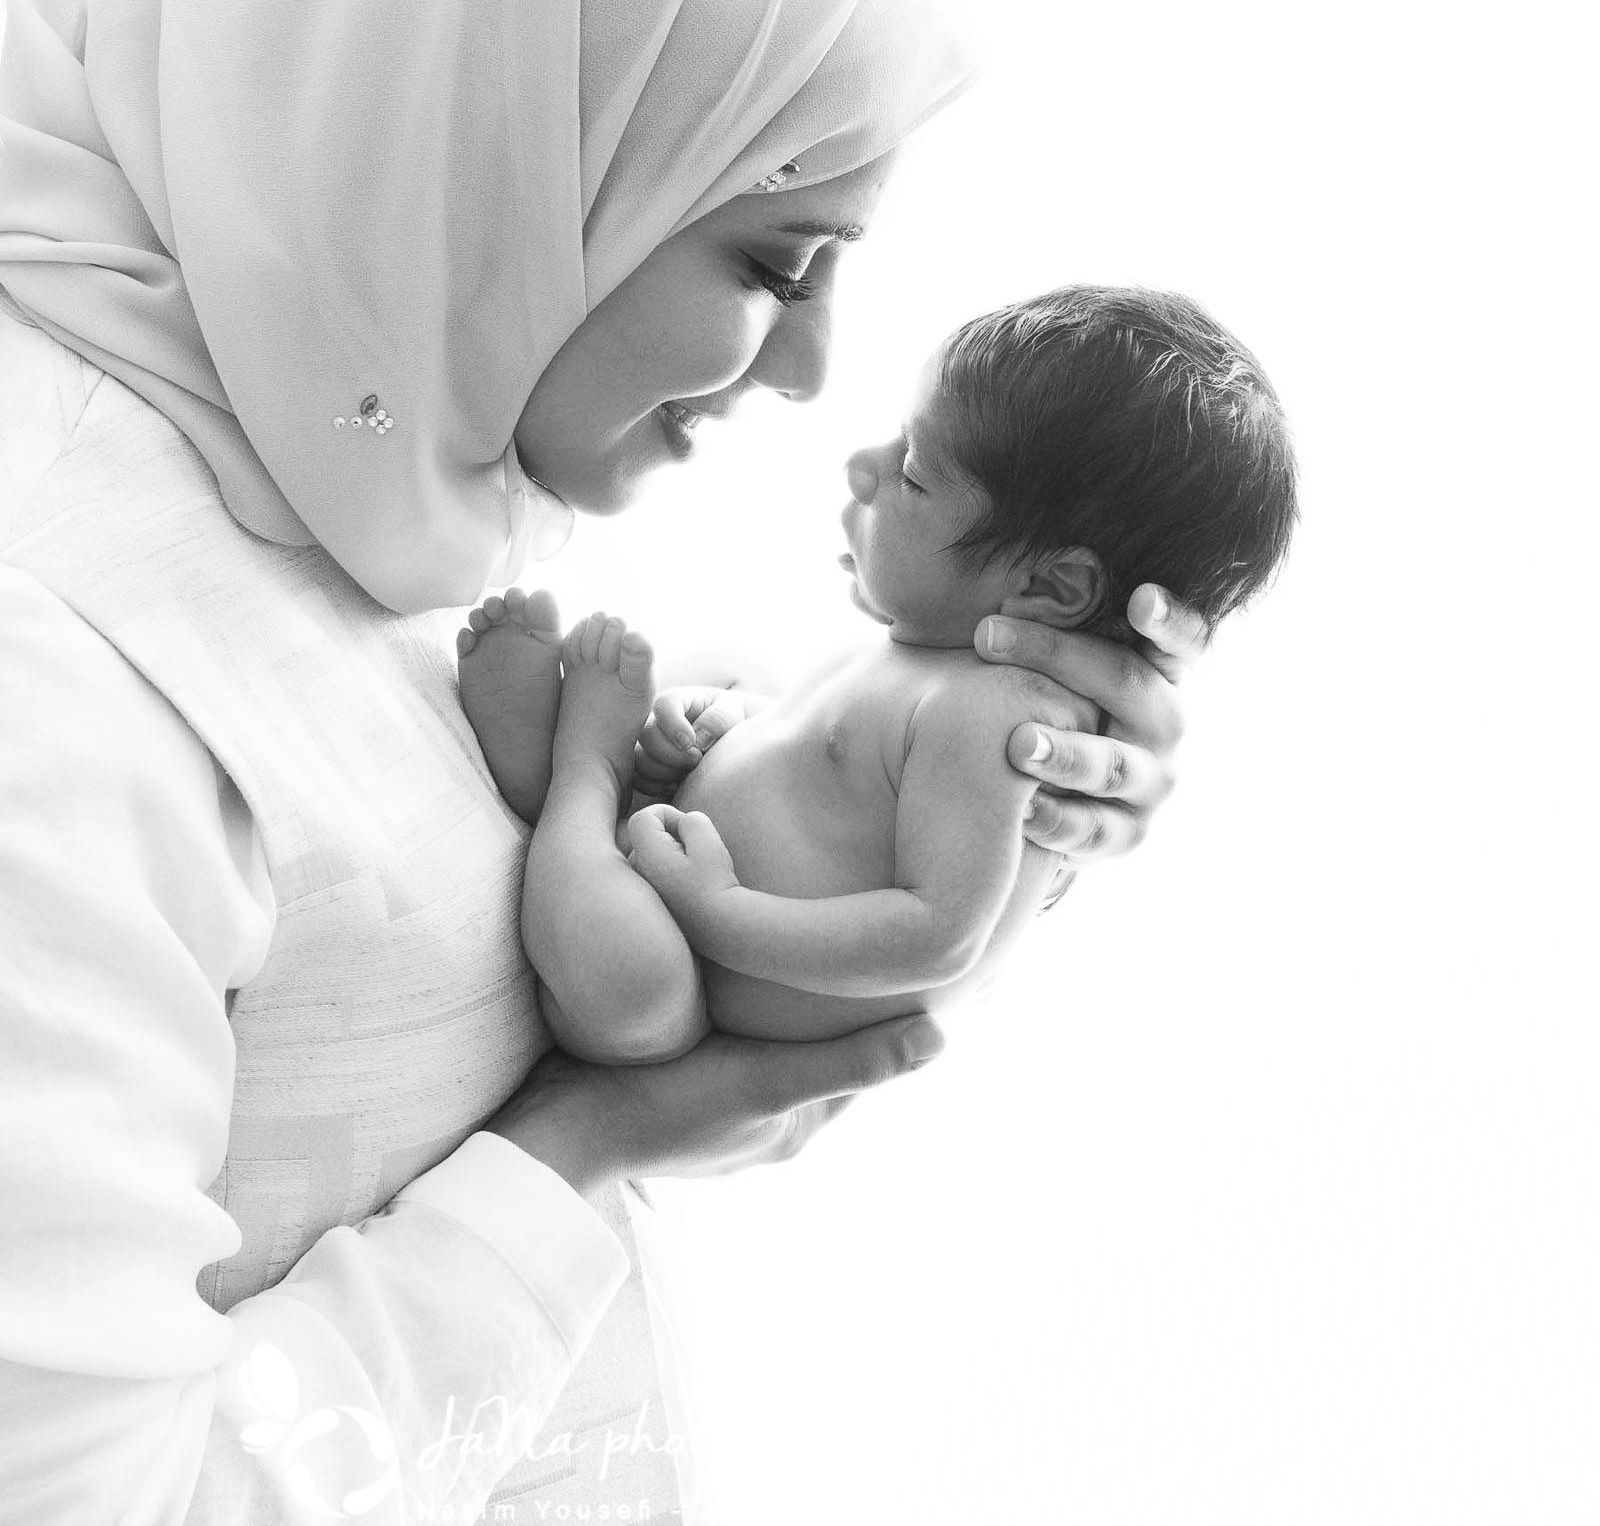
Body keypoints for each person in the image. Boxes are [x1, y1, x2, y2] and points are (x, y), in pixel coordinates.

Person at [0, 0, 1200, 1526]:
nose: (812, 375)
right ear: (480, 146)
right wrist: (589, 1150)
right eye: (774, 262)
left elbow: (383, 939)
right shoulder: (48, 667)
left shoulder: (357, 427)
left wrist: (977, 767)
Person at [459, 284, 1295, 1059]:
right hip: (685, 861)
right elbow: (841, 774)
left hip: (696, 981)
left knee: (629, 978)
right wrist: (722, 722)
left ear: (1049, 587)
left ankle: (579, 773)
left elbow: (935, 936)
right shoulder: (937, 655)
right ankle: (592, 786)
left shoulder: (1001, 716)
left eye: (913, 472)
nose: (864, 467)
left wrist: (721, 913)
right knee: (741, 672)